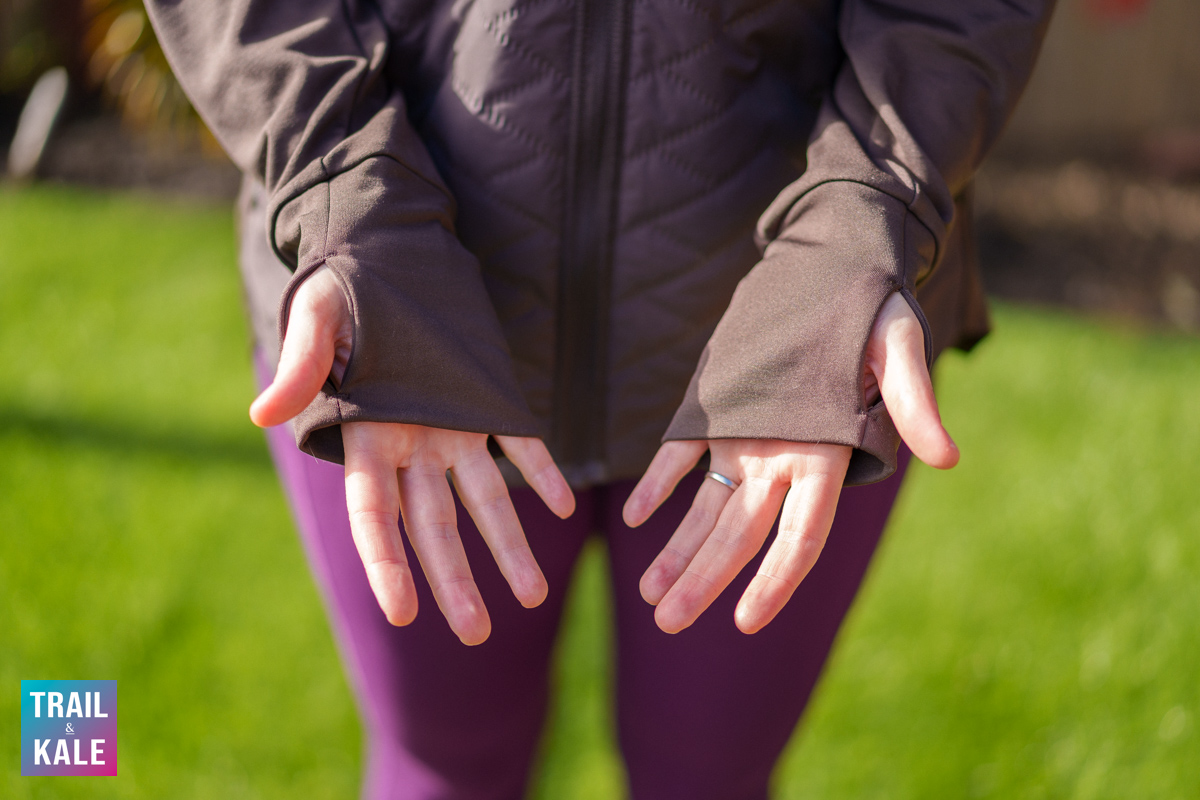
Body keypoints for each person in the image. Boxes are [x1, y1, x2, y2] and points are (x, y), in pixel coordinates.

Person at [147, 1, 1054, 797]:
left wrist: (860, 217)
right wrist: (345, 190)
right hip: (394, 318)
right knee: (443, 771)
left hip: (793, 345)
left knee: (709, 780)